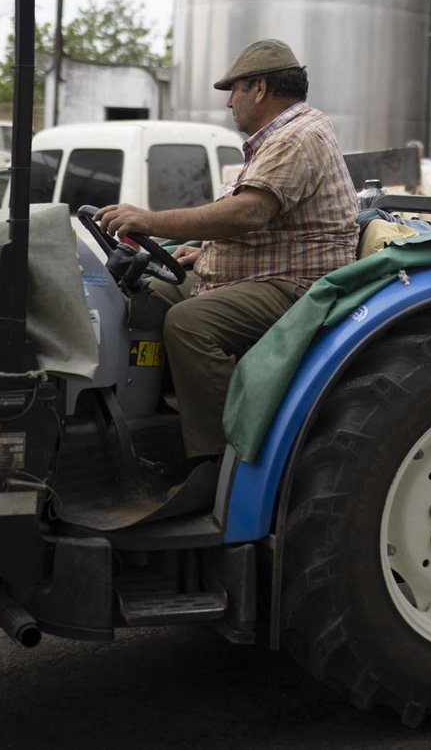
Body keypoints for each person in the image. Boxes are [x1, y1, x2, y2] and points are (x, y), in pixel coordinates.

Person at [96, 40, 358, 459]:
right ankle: (152, 422)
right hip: (264, 271)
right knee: (141, 295)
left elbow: (249, 214)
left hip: (296, 286)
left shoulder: (296, 138)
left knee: (189, 323)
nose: (228, 104)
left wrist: (148, 220)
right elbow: (275, 228)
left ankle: (216, 461)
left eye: (232, 91)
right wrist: (203, 253)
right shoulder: (280, 138)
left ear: (258, 88)